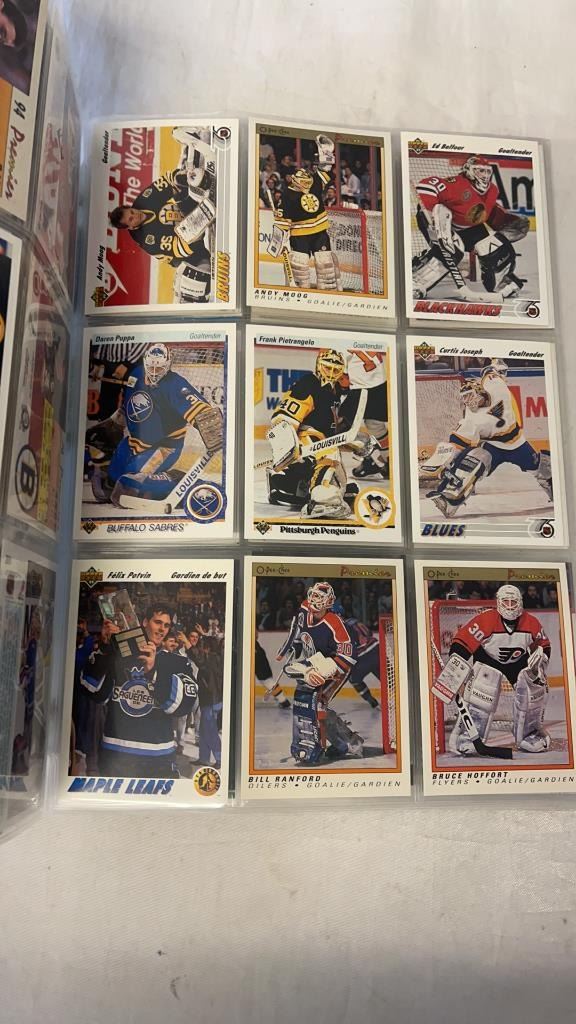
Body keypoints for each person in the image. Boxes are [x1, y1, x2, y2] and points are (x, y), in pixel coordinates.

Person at [85, 341, 222, 510]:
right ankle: (148, 481)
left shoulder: (175, 384)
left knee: (129, 488)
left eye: (160, 368)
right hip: (132, 444)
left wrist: (212, 427)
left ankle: (191, 486)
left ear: (168, 365)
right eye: (152, 367)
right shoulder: (136, 374)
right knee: (108, 485)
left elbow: (199, 408)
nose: (155, 372)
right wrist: (113, 423)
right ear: (145, 363)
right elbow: (128, 405)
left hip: (163, 449)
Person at [79, 604, 198, 778]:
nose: (162, 629)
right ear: (144, 622)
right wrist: (105, 648)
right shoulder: (119, 654)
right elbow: (92, 690)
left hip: (158, 757)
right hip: (116, 755)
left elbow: (183, 706)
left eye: (166, 625)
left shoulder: (177, 661)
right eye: (158, 622)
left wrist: (153, 672)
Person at [421, 361, 553, 518]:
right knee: (472, 461)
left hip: (516, 444)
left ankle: (557, 488)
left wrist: (494, 366)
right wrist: (446, 461)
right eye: (464, 398)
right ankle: (450, 500)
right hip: (492, 446)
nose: (468, 401)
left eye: (470, 395)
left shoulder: (497, 389)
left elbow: (491, 372)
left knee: (540, 467)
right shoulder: (471, 417)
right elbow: (458, 443)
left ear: (480, 392)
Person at [436, 585, 551, 756]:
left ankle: (529, 734)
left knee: (532, 691)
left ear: (520, 603)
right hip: (487, 659)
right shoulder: (486, 620)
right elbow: (462, 642)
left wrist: (540, 663)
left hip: (518, 662)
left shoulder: (531, 622)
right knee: (482, 691)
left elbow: (543, 645)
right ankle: (469, 736)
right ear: (498, 602)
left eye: (513, 602)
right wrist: (456, 668)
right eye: (506, 602)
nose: (510, 606)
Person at [108, 128, 216, 303]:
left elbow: (168, 181)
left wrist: (185, 178)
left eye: (131, 212)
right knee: (205, 271)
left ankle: (196, 144)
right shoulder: (147, 239)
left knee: (184, 187)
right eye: (131, 219)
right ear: (130, 227)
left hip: (189, 215)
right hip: (187, 253)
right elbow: (181, 247)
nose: (135, 215)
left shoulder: (143, 200)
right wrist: (201, 221)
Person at [412, 153, 528, 300]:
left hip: (468, 227)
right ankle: (417, 280)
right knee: (453, 249)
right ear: (469, 170)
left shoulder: (493, 190)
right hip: (439, 222)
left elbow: (486, 210)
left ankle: (502, 282)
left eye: (487, 171)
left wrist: (503, 220)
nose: (485, 175)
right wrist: (431, 216)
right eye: (480, 170)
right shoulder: (457, 184)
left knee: (493, 246)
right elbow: (425, 186)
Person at [280, 581, 362, 764]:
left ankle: (347, 743)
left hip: (337, 667)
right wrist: (296, 645)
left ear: (328, 602)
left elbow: (348, 657)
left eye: (319, 597)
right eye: (313, 595)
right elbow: (299, 629)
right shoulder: (304, 609)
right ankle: (337, 743)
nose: (314, 600)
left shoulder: (336, 624)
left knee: (319, 704)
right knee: (306, 701)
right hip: (315, 663)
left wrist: (324, 671)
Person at [265, 348, 350, 520]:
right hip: (306, 438)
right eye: (328, 367)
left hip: (322, 442)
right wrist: (287, 447)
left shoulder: (335, 390)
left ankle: (286, 484)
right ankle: (320, 501)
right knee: (329, 459)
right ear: (318, 365)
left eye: (336, 369)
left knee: (341, 482)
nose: (331, 373)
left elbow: (332, 425)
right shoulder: (309, 383)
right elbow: (282, 417)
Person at [268, 133, 341, 291]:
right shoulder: (288, 194)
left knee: (325, 263)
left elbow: (325, 170)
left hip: (319, 231)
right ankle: (302, 290)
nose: (307, 185)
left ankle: (327, 290)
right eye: (304, 183)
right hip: (299, 234)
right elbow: (283, 220)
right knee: (299, 265)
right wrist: (280, 240)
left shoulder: (315, 182)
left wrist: (326, 154)